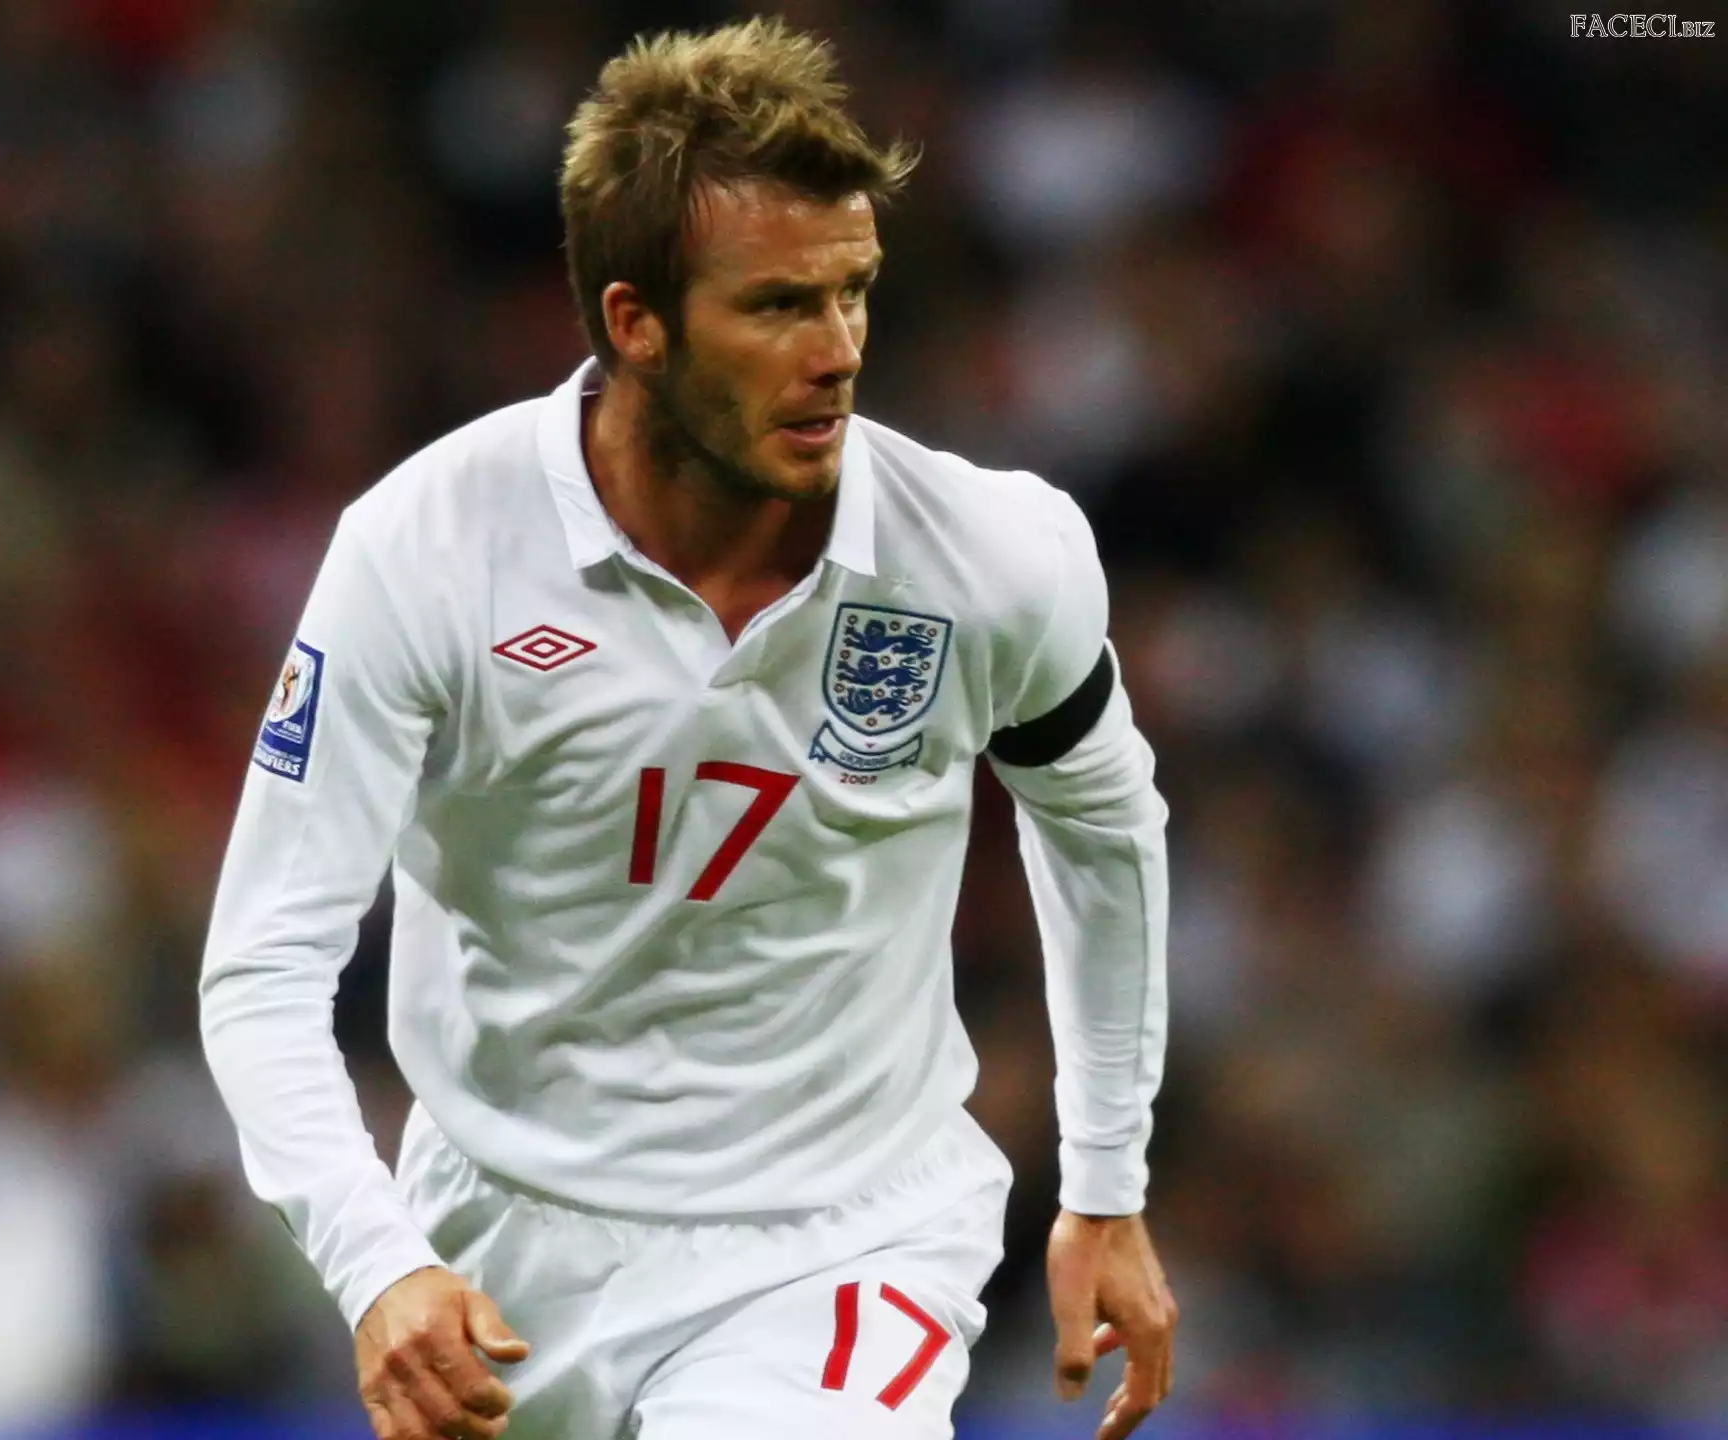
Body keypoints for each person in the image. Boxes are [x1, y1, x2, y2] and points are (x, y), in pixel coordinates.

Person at [199, 18, 1176, 1440]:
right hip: (503, 1235)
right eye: (777, 306)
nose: (837, 353)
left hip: (844, 1234)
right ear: (635, 322)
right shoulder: (429, 551)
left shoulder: (989, 556)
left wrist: (1106, 1178)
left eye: (854, 293)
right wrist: (378, 1265)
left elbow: (1104, 826)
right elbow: (264, 966)